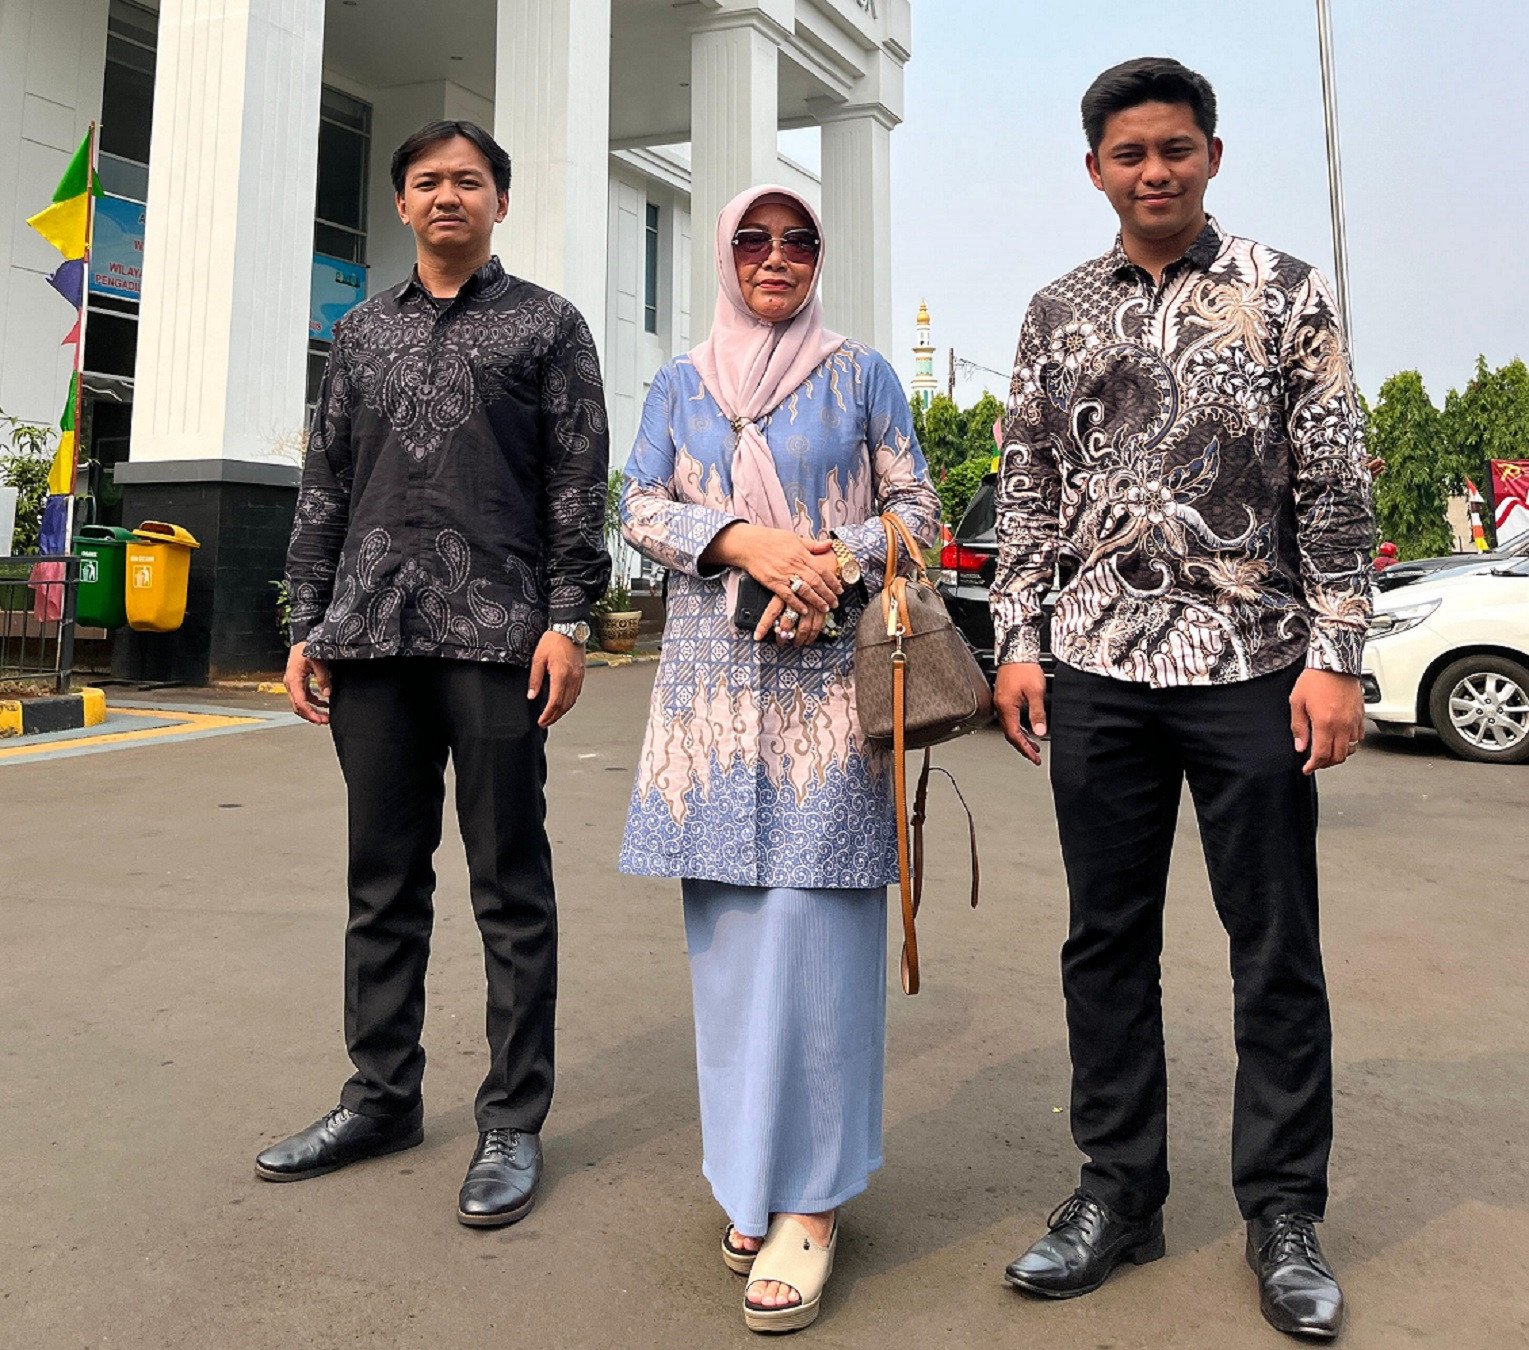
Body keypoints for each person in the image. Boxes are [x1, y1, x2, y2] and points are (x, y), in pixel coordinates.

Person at [991, 59, 1373, 1342]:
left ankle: (1283, 1210)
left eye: (1173, 148)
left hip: (1250, 666)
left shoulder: (1281, 293)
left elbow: (1334, 482)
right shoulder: (1055, 311)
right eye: (1128, 153)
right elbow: (1027, 491)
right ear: (1093, 169)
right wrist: (1017, 640)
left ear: (1211, 154)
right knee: (1104, 941)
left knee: (1273, 948)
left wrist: (1335, 655)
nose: (1151, 171)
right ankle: (1117, 1191)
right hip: (1096, 668)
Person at [260, 120, 610, 1229]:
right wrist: (305, 623)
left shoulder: (547, 326)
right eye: (427, 181)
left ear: (500, 201)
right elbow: (324, 483)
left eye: (468, 180)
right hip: (370, 637)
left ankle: (512, 1119)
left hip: (498, 637)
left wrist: (569, 620)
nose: (447, 195)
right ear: (402, 203)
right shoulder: (359, 333)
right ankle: (380, 1099)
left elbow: (576, 483)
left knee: (509, 885)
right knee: (381, 883)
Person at [618, 184, 939, 1334]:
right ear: (724, 254)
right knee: (734, 957)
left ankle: (812, 1202)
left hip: (826, 706)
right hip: (710, 713)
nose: (773, 257)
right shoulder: (680, 382)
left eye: (796, 239)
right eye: (751, 239)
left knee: (819, 947)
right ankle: (748, 1177)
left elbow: (917, 514)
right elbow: (636, 505)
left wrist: (824, 565)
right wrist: (739, 540)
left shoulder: (859, 377)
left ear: (817, 256)